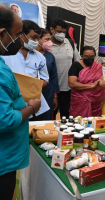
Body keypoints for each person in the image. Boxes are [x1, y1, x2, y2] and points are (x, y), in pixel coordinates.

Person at [0, 6, 41, 200]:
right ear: (2, 33)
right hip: (3, 159)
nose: (20, 41)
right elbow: (5, 120)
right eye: (17, 35)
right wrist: (31, 107)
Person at [2, 19, 50, 121]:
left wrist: (30, 86)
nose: (36, 42)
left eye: (38, 38)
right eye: (34, 38)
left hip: (35, 104)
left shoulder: (40, 57)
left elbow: (45, 80)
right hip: (12, 103)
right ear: (21, 35)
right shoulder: (6, 54)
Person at [68, 46, 105, 117]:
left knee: (95, 123)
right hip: (80, 101)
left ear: (95, 56)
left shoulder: (98, 66)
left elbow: (101, 79)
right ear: (81, 56)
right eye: (86, 56)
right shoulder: (76, 65)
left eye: (92, 56)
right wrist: (91, 86)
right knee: (79, 123)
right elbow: (72, 84)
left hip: (96, 103)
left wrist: (103, 83)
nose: (89, 58)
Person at [49, 18, 81, 119]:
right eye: (59, 31)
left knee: (65, 115)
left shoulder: (70, 43)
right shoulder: (46, 44)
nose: (62, 34)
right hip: (51, 88)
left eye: (64, 32)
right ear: (52, 30)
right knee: (51, 116)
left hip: (66, 87)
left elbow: (77, 62)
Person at [36, 28, 60, 120]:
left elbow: (54, 78)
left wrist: (55, 96)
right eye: (47, 39)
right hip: (32, 91)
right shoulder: (29, 54)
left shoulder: (50, 56)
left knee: (46, 118)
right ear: (38, 39)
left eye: (50, 39)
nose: (50, 42)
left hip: (48, 93)